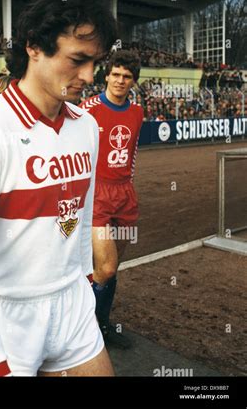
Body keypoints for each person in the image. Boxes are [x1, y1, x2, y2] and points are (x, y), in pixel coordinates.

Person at [0, 0, 117, 376]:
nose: (90, 76)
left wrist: (84, 281)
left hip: (71, 306)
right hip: (5, 316)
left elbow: (80, 215)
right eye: (77, 60)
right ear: (34, 47)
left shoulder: (86, 127)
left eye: (96, 63)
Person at [79, 50, 143, 349]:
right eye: (116, 74)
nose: (120, 80)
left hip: (124, 194)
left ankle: (102, 325)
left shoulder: (137, 112)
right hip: (97, 194)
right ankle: (82, 328)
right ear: (106, 75)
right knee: (105, 268)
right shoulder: (86, 109)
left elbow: (131, 155)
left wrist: (128, 187)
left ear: (133, 81)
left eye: (127, 76)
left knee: (111, 267)